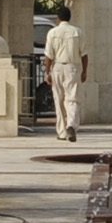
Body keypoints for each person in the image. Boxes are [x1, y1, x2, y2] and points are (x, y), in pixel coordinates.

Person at [41, 13, 87, 141]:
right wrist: (84, 71)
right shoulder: (78, 32)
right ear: (70, 17)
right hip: (73, 67)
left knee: (59, 99)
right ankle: (71, 125)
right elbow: (84, 54)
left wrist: (47, 72)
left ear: (58, 18)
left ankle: (62, 132)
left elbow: (48, 55)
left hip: (58, 68)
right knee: (72, 98)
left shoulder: (52, 32)